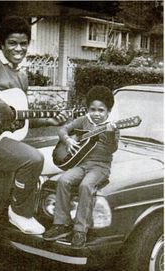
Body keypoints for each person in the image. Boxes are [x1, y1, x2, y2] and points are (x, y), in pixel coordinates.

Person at [0, 16, 68, 271]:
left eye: (24, 43)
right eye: (13, 43)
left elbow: (19, 120)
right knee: (34, 158)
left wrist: (50, 120)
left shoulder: (22, 77)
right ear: (3, 43)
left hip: (1, 142)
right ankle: (20, 211)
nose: (19, 49)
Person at [43, 85, 119, 249]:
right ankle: (61, 224)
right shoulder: (83, 121)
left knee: (86, 185)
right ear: (88, 109)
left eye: (101, 110)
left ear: (108, 111)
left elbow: (113, 149)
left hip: (100, 167)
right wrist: (68, 140)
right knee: (63, 180)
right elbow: (63, 129)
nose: (96, 114)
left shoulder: (112, 126)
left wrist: (111, 133)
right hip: (82, 164)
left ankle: (80, 230)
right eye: (93, 109)